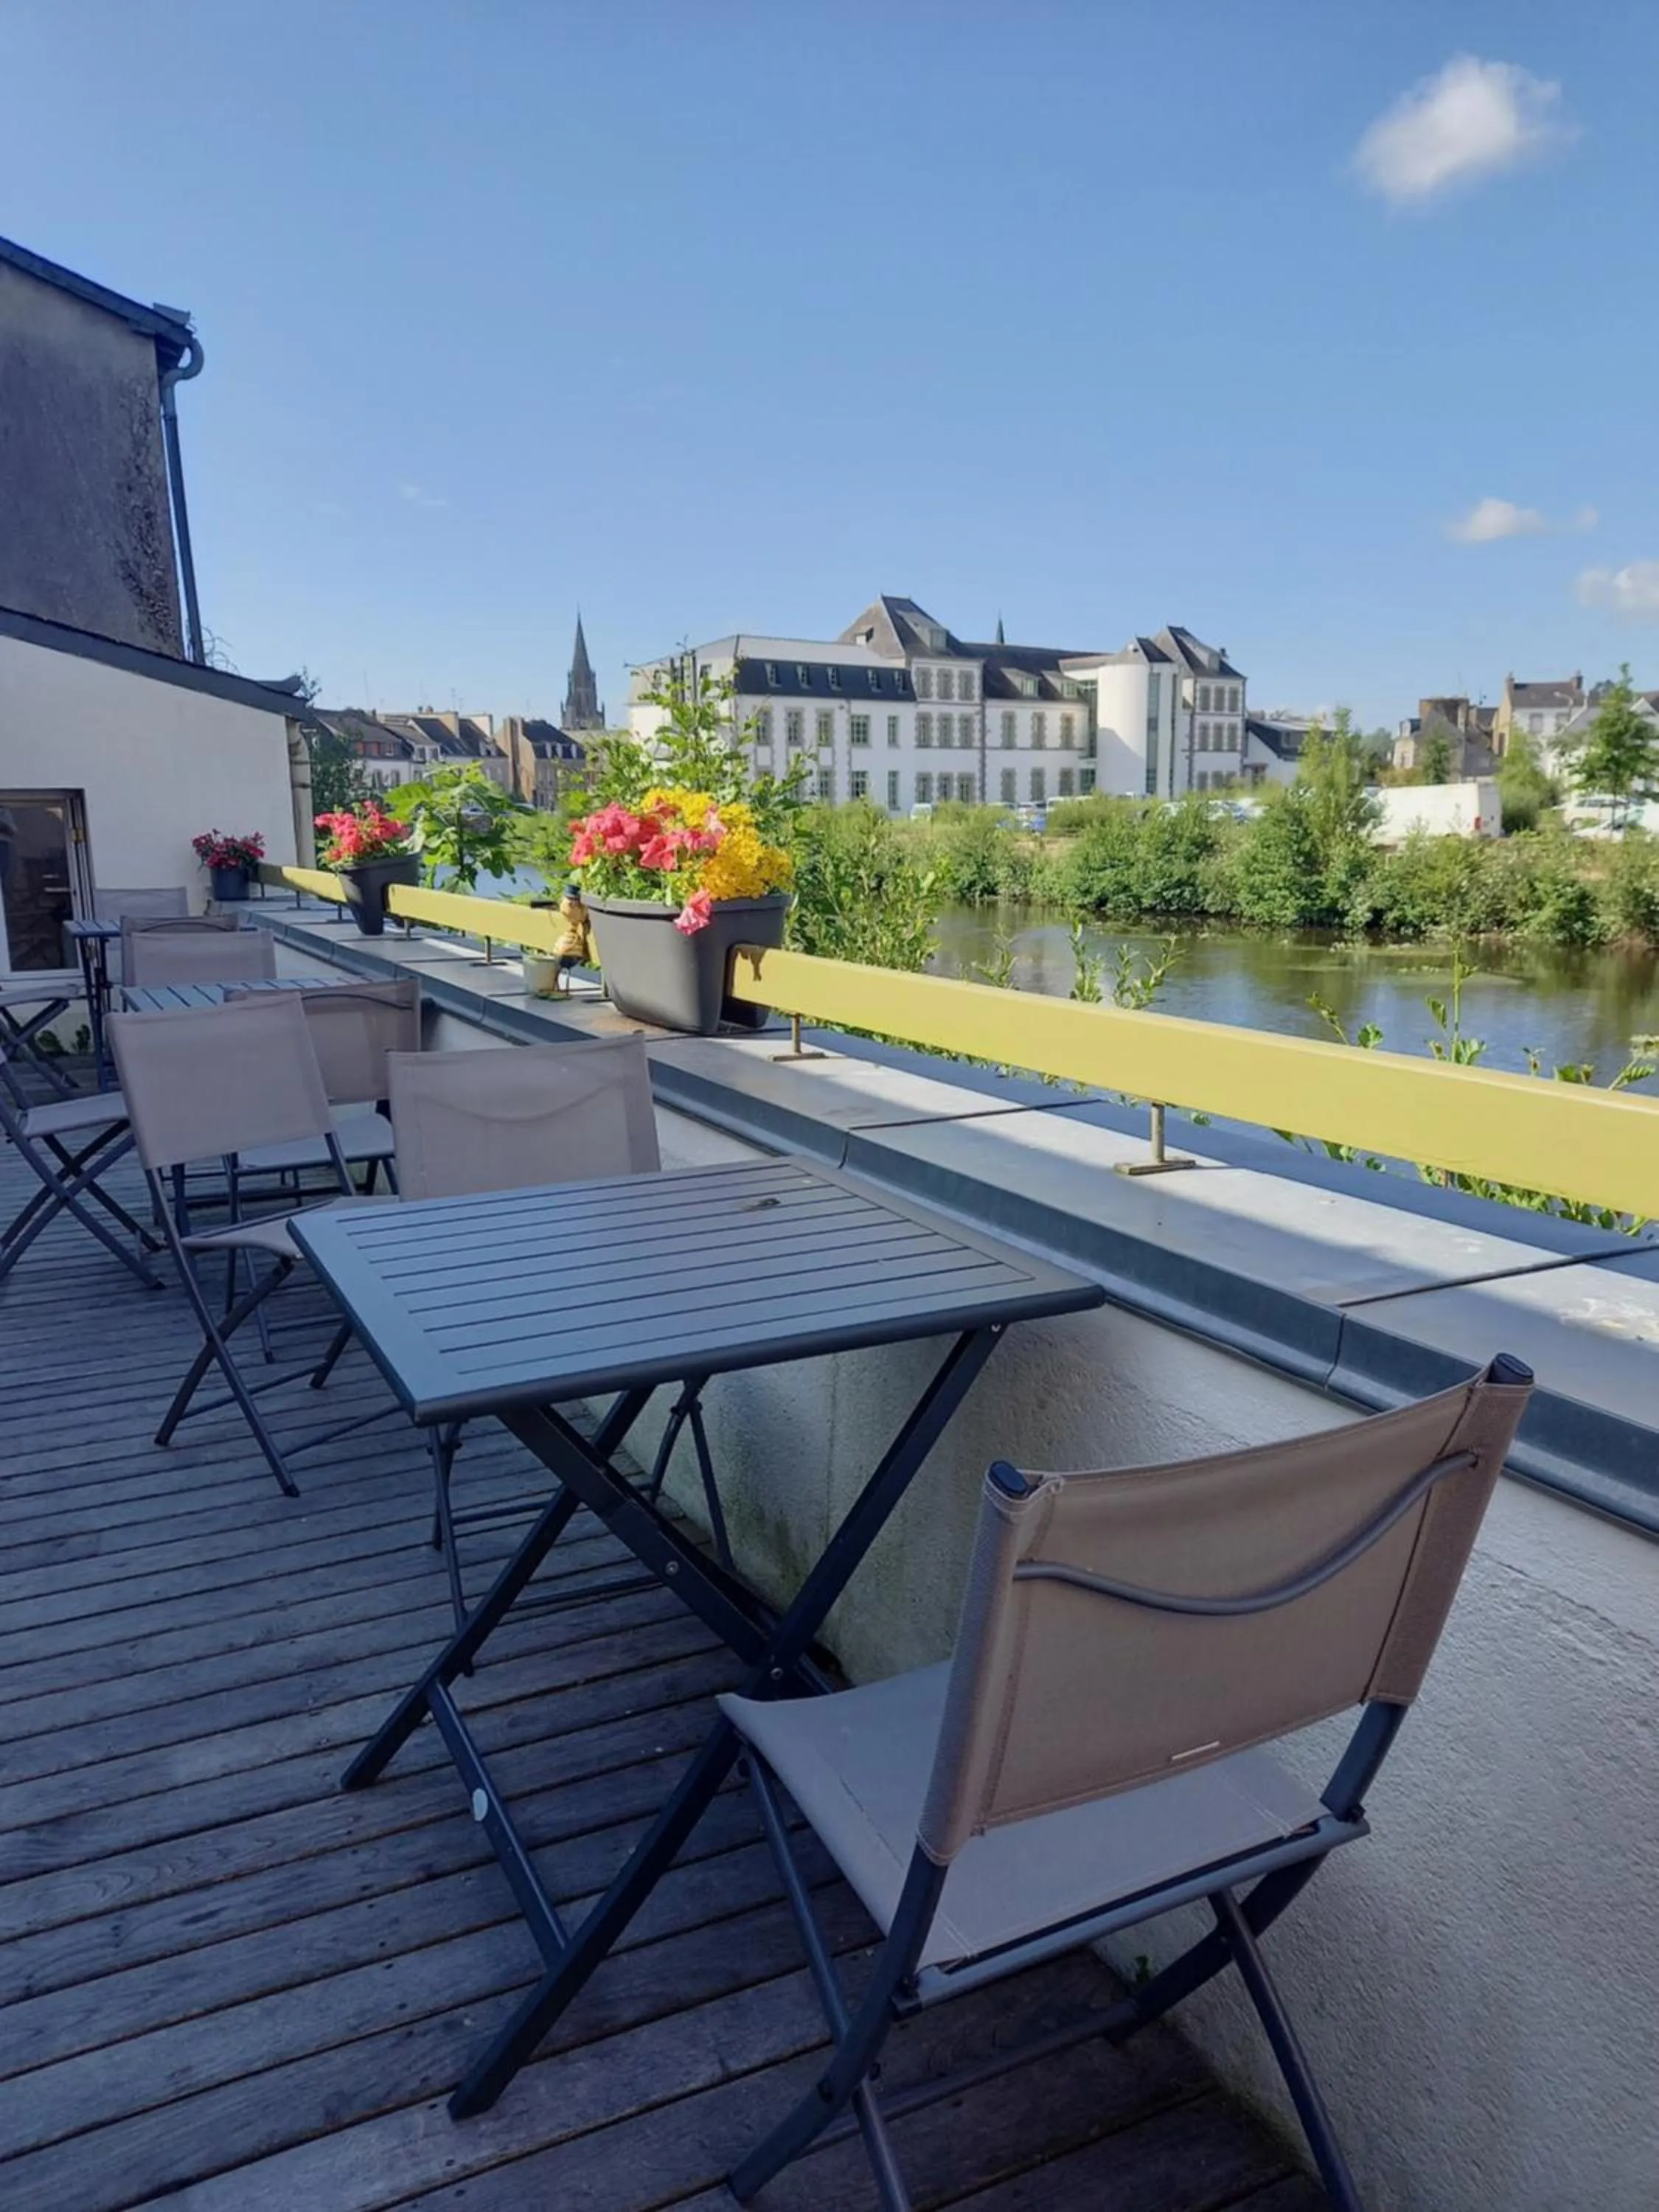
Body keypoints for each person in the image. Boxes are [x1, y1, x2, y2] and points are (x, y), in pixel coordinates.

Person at [551, 882, 594, 992]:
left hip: (570, 949)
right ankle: (559, 987)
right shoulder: (579, 920)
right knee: (561, 964)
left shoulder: (578, 924)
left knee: (560, 965)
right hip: (569, 948)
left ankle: (559, 987)